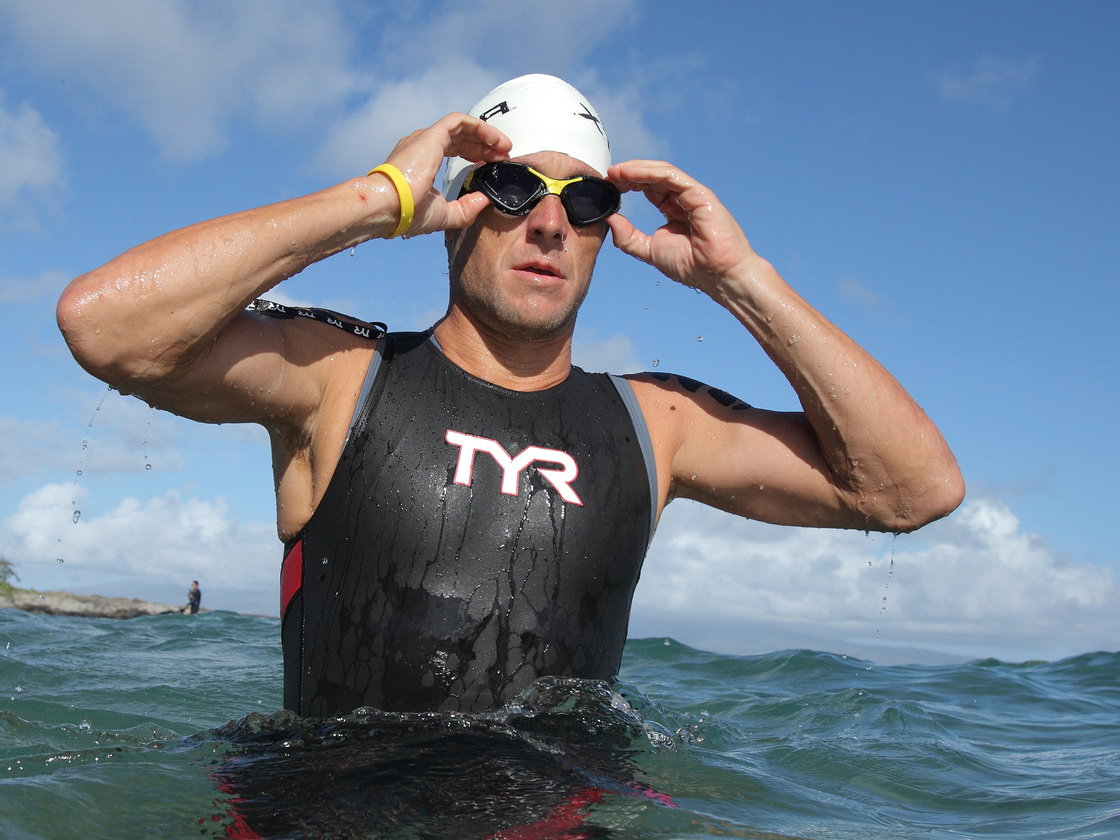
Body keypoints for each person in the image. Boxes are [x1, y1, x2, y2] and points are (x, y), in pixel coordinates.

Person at [57, 75, 964, 718]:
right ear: (453, 210)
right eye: (513, 183)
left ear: (606, 233)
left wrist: (744, 281)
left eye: (584, 200)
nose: (547, 221)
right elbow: (107, 327)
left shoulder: (657, 423)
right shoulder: (339, 376)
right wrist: (375, 200)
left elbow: (911, 490)